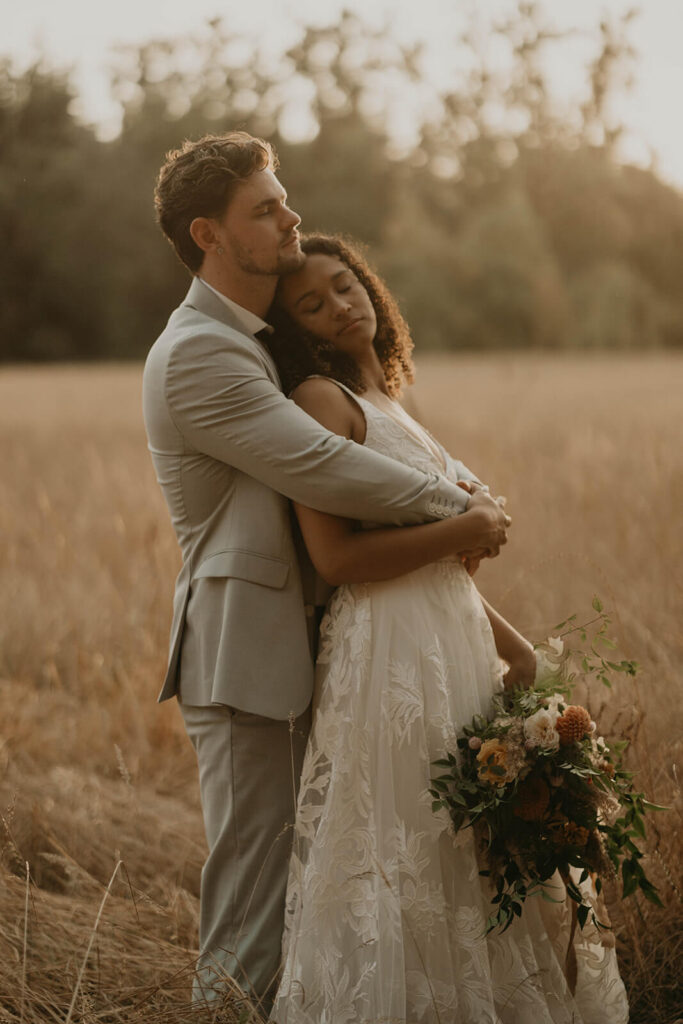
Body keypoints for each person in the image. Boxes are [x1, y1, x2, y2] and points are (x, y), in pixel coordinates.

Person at [142, 132, 511, 1015]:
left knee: (302, 892)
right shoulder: (198, 351)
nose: (288, 216)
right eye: (263, 210)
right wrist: (458, 507)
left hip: (313, 647)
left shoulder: (255, 341)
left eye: (283, 199)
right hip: (244, 655)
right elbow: (320, 465)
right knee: (251, 901)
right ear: (209, 234)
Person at [266, 234, 630, 1023]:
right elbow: (335, 558)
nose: (339, 303)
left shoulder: (394, 400)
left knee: (471, 840)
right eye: (312, 302)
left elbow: (445, 560)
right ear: (298, 329)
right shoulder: (320, 401)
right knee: (410, 839)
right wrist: (469, 523)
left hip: (451, 638)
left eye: (344, 283)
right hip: (389, 647)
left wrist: (518, 649)